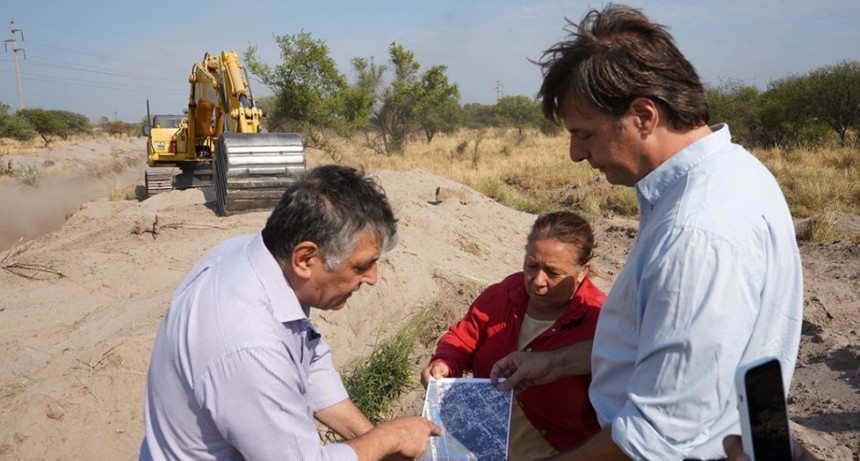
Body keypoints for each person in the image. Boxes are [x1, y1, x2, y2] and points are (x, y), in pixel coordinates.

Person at [490, 4, 804, 460]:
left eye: (586, 134)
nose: (576, 153)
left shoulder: (696, 231)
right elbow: (664, 342)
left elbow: (653, 439)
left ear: (643, 115)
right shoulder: (736, 173)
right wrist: (554, 362)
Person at [139, 164, 440, 461]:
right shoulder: (250, 344)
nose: (372, 278)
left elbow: (307, 362)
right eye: (360, 266)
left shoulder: (249, 257)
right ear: (305, 259)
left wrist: (371, 441)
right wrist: (389, 438)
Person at [421, 211, 605, 459]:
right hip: (483, 448)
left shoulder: (600, 321)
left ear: (583, 271)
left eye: (553, 273)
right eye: (531, 266)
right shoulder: (503, 295)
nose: (538, 281)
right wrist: (445, 363)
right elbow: (463, 337)